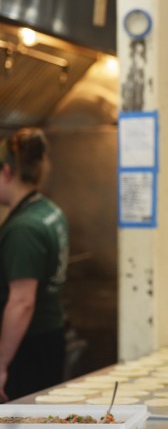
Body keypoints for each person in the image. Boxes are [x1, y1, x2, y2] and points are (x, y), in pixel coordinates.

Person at [0, 127, 69, 402]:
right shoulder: (50, 211)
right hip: (50, 337)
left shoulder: (24, 228)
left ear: (7, 171)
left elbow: (22, 301)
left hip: (26, 348)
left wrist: (2, 362)